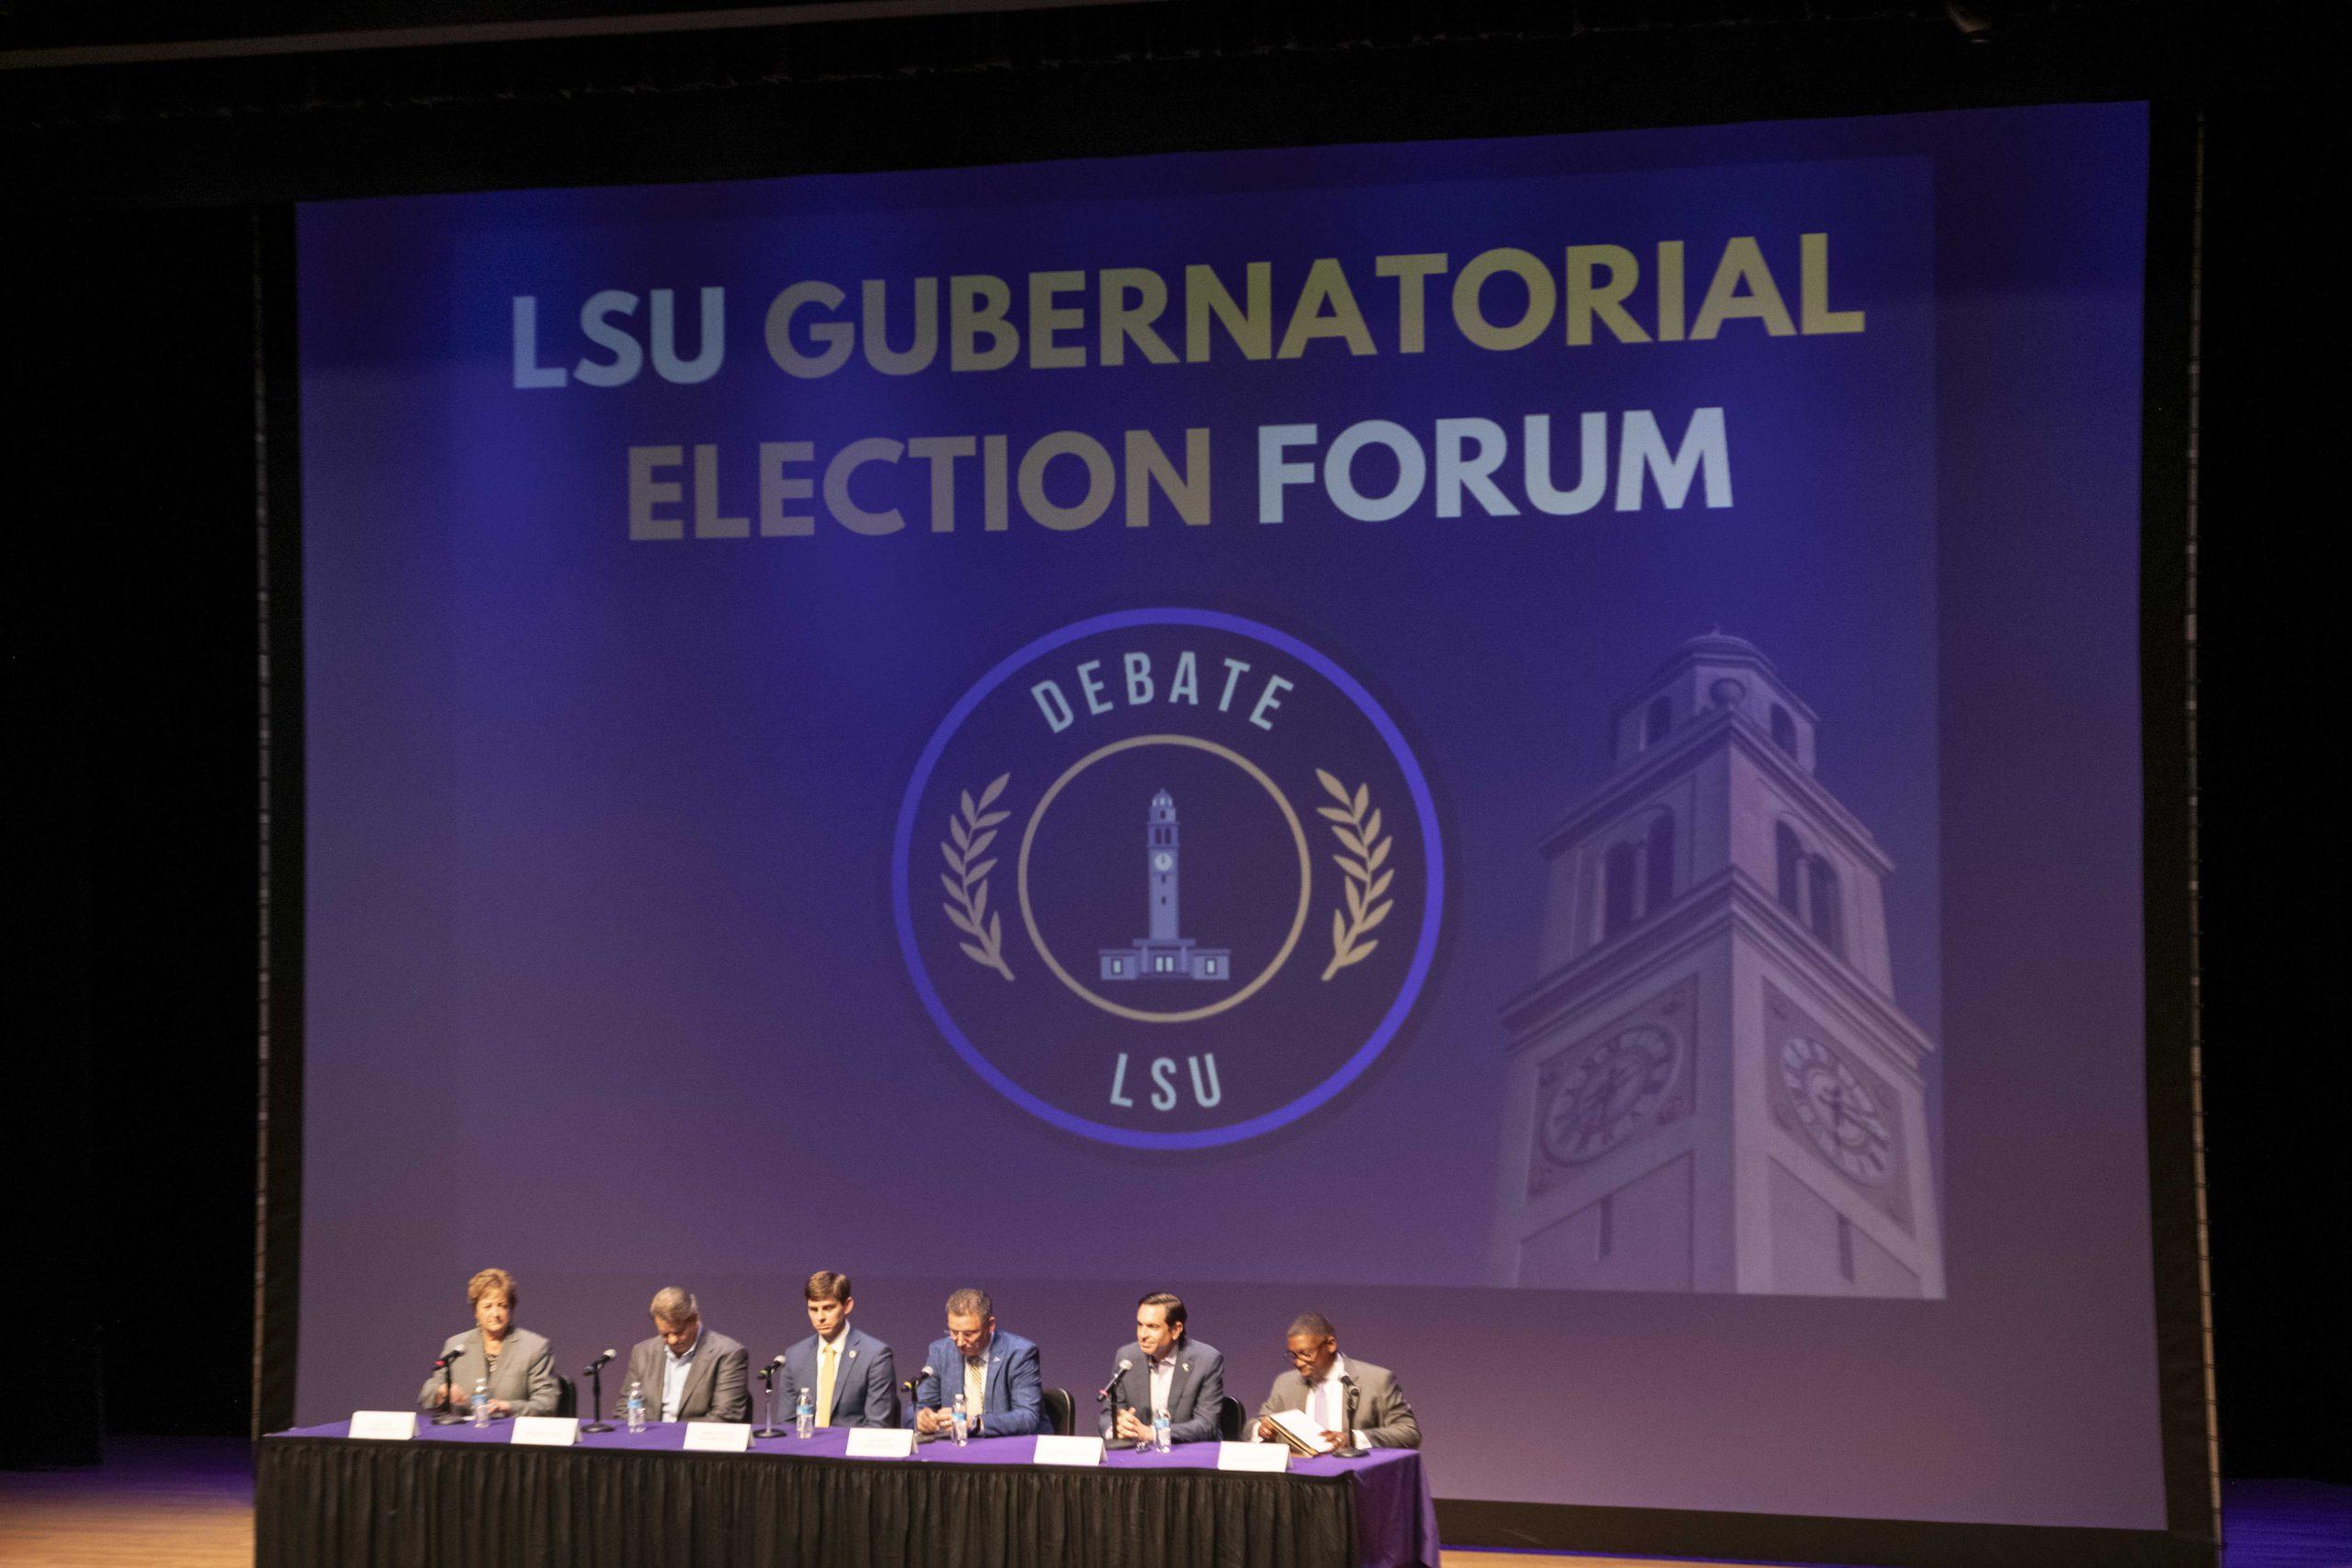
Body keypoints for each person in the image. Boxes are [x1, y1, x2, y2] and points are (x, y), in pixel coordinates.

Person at [1254, 1312, 1419, 1450]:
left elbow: (1409, 1433)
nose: (1298, 1362)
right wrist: (1261, 1429)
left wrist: (1354, 1439)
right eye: (1293, 1355)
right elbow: (1256, 1423)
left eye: (1306, 1353)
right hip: (1302, 1482)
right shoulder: (1285, 1383)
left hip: (1354, 1480)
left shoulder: (1377, 1380)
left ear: (1331, 1344)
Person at [416, 1267, 559, 1418]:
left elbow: (547, 1404)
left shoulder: (534, 1347)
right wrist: (442, 1391)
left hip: (512, 1435)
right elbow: (426, 1395)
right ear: (475, 1311)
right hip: (464, 1435)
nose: (495, 1314)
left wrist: (507, 1407)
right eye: (488, 1306)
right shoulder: (456, 1346)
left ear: (511, 1308)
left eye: (502, 1306)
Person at [909, 1287, 1043, 1438]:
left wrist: (975, 1423)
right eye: (953, 1332)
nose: (959, 1342)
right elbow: (913, 1412)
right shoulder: (940, 1352)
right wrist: (921, 1418)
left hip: (1006, 1446)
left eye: (969, 1334)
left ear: (990, 1325)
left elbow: (1028, 1417)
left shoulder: (1020, 1353)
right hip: (957, 1447)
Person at [1098, 1291, 1224, 1445]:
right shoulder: (1127, 1356)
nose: (1142, 1335)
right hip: (1137, 1455)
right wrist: (1118, 1428)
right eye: (1140, 1325)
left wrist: (1152, 1433)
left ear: (1176, 1329)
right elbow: (1107, 1415)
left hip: (1187, 1454)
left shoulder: (1206, 1360)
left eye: (1152, 1327)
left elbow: (1206, 1425)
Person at [780, 1270, 898, 1428]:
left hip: (851, 1450)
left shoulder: (875, 1355)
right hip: (805, 1448)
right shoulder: (795, 1355)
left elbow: (877, 1426)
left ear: (847, 1305)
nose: (820, 1317)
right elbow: (786, 1424)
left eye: (828, 1308)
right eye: (813, 1309)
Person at [620, 1286, 750, 1423]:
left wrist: (671, 1438)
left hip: (697, 1442)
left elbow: (725, 1417)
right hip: (646, 1441)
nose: (672, 1340)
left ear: (695, 1319)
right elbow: (624, 1409)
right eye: (665, 1334)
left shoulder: (728, 1353)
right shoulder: (642, 1352)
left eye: (678, 1332)